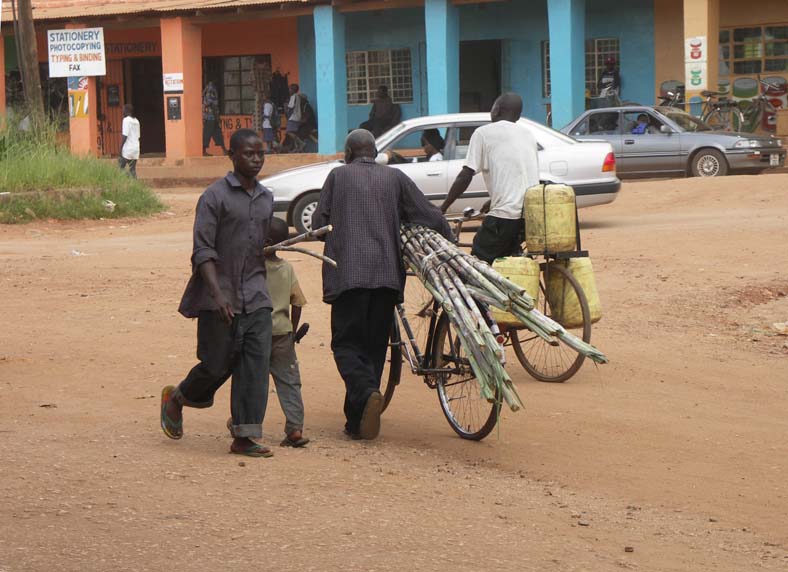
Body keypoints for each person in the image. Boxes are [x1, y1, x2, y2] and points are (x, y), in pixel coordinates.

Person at [312, 129, 451, 441]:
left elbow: (319, 225)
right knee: (374, 347)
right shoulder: (394, 177)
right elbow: (427, 214)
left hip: (349, 275)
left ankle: (367, 391)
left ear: (348, 153)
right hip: (387, 277)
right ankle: (357, 422)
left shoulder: (337, 176)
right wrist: (449, 241)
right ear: (374, 153)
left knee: (346, 344)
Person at [160, 129, 275, 458]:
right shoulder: (214, 197)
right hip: (218, 297)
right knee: (216, 365)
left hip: (256, 296)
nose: (255, 159)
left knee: (255, 366)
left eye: (260, 154)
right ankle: (178, 398)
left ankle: (245, 435)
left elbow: (263, 245)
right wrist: (218, 294)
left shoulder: (266, 198)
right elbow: (203, 251)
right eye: (248, 154)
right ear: (232, 155)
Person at [440, 93, 539, 265]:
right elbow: (518, 174)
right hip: (529, 217)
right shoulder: (527, 134)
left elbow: (465, 175)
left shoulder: (483, 133)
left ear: (497, 110)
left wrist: (443, 207)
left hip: (504, 218)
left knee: (477, 263)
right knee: (505, 262)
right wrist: (493, 199)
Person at [256, 217, 310, 448]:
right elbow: (297, 302)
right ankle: (295, 429)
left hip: (256, 333)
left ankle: (245, 423)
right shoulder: (286, 268)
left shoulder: (253, 267)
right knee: (289, 382)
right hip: (283, 334)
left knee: (253, 381)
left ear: (266, 241)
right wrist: (293, 331)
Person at [202, 81, 227, 156]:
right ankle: (204, 151)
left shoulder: (206, 90)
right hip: (211, 117)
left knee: (216, 133)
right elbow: (212, 105)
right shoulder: (211, 90)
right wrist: (217, 117)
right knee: (208, 134)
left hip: (209, 117)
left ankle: (224, 149)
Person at [118, 104, 140, 178]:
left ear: (126, 111)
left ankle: (125, 180)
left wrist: (120, 148)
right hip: (136, 149)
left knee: (120, 168)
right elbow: (138, 136)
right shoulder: (136, 121)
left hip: (128, 149)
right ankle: (135, 185)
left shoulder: (126, 120)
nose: (122, 112)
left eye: (123, 110)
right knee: (132, 169)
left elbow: (125, 136)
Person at [285, 84, 305, 153]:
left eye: (290, 89)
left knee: (289, 132)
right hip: (297, 116)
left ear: (293, 90)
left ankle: (301, 143)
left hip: (293, 117)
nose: (289, 91)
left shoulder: (293, 96)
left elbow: (291, 107)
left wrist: (288, 115)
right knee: (294, 132)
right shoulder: (298, 97)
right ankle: (297, 147)